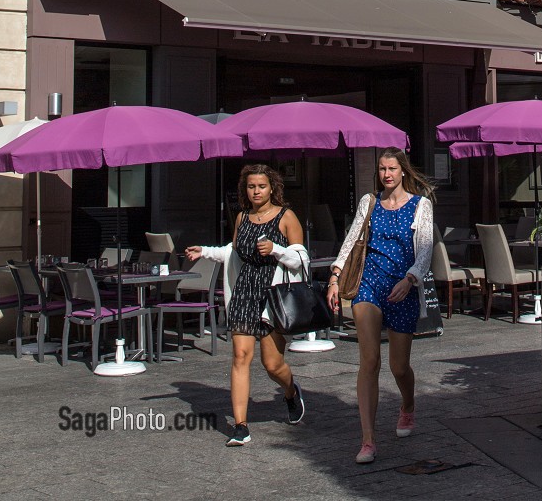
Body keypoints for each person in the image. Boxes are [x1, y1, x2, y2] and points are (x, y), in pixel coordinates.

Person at [186, 163, 310, 446]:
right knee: (240, 356)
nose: (256, 191)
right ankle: (240, 426)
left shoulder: (286, 217)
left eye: (261, 186)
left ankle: (290, 391)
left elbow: (302, 260)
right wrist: (204, 251)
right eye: (251, 186)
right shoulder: (242, 217)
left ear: (272, 188)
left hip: (273, 296)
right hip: (244, 292)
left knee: (272, 365)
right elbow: (233, 254)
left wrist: (276, 250)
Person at [326, 147, 434, 464]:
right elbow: (351, 240)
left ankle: (408, 406)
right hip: (369, 285)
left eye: (392, 168)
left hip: (403, 288)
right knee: (369, 360)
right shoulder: (369, 202)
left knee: (399, 366)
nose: (386, 174)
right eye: (382, 169)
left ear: (403, 171)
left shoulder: (421, 205)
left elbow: (425, 250)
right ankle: (368, 440)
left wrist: (411, 279)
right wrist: (335, 275)